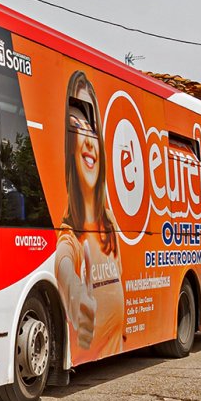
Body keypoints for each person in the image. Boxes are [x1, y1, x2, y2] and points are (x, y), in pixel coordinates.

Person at [55, 71, 125, 360]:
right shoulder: (69, 237)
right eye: (75, 126)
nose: (87, 139)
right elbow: (63, 267)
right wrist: (75, 295)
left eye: (90, 126)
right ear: (69, 148)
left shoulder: (109, 223)